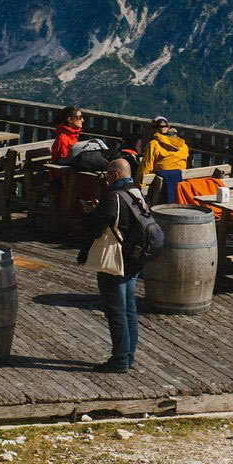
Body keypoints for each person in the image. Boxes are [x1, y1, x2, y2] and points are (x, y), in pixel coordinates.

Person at [77, 157, 154, 373]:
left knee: (116, 311)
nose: (107, 179)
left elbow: (97, 228)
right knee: (129, 309)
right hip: (135, 259)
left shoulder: (113, 197)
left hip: (116, 260)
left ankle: (120, 359)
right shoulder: (138, 193)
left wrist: (89, 213)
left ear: (116, 175)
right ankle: (128, 356)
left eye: (108, 175)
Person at [137, 116, 191, 204]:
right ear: (168, 128)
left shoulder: (153, 145)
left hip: (158, 191)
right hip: (179, 188)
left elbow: (145, 170)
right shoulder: (183, 146)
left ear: (153, 130)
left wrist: (139, 190)